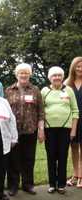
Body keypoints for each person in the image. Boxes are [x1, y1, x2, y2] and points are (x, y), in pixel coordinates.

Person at [5, 63, 44, 196]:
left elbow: (41, 112)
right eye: (21, 72)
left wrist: (41, 129)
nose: (23, 75)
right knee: (13, 160)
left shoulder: (35, 90)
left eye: (26, 73)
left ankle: (28, 185)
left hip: (30, 130)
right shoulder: (9, 90)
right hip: (13, 132)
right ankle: (13, 186)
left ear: (30, 74)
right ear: (16, 74)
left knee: (28, 159)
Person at [41, 66, 79, 194]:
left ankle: (61, 184)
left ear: (62, 77)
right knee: (51, 157)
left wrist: (73, 131)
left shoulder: (69, 90)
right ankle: (52, 184)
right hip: (49, 129)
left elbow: (75, 111)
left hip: (65, 129)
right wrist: (41, 130)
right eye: (54, 75)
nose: (57, 77)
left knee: (63, 156)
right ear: (49, 78)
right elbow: (40, 112)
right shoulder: (44, 91)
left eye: (59, 75)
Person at [65, 57, 82, 188]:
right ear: (73, 68)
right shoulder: (67, 84)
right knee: (74, 148)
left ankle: (81, 176)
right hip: (73, 121)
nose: (80, 69)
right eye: (78, 66)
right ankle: (75, 175)